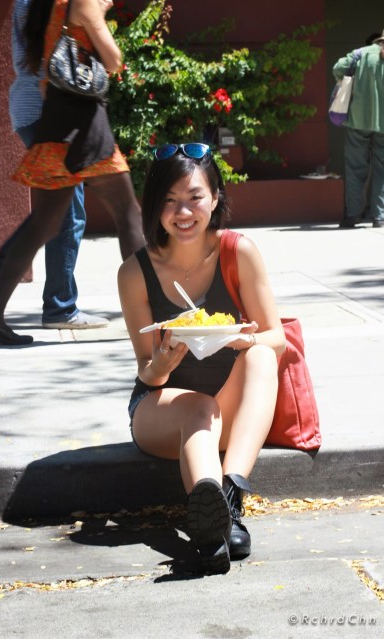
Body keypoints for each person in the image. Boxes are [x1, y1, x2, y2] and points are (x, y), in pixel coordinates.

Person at [117, 143, 286, 574]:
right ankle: (215, 523)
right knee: (199, 406)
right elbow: (146, 371)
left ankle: (227, 503)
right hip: (161, 411)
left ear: (214, 198)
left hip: (230, 407)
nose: (183, 212)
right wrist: (163, 362)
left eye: (194, 197)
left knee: (262, 357)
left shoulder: (238, 252)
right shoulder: (135, 272)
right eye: (170, 200)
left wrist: (239, 339)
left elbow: (277, 339)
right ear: (154, 206)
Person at [0, 0, 144, 345]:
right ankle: (154, 311)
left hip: (57, 124)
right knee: (128, 214)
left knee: (45, 224)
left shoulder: (45, 7)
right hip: (84, 126)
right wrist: (99, 16)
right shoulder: (79, 2)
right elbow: (113, 60)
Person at [334, 31, 384, 229]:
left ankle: (353, 214)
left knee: (355, 168)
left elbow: (337, 68)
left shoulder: (361, 54)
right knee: (382, 170)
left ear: (376, 40)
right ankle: (379, 217)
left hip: (357, 120)